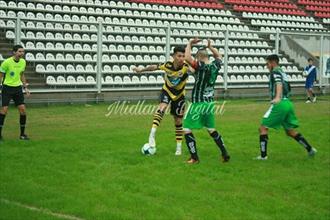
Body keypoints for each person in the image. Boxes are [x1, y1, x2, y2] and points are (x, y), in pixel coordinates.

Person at [257, 54, 317, 160]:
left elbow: (278, 83)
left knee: (263, 128)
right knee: (290, 131)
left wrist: (277, 97)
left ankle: (263, 156)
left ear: (272, 62)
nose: (266, 66)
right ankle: (310, 149)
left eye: (267, 63)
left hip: (280, 103)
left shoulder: (275, 71)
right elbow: (287, 86)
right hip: (288, 103)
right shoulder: (282, 71)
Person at [133, 46, 189, 155]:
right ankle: (152, 133)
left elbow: (195, 68)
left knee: (178, 121)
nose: (181, 58)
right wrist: (141, 70)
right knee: (162, 107)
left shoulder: (186, 67)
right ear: (173, 56)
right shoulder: (168, 65)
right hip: (167, 91)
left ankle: (178, 147)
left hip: (179, 96)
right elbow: (154, 67)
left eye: (183, 56)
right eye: (179, 56)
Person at [183, 38, 230, 164]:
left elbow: (187, 57)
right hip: (209, 103)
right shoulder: (215, 65)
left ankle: (194, 157)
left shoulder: (201, 66)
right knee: (211, 129)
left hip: (198, 103)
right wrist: (211, 46)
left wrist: (189, 43)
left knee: (186, 128)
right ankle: (225, 153)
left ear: (198, 57)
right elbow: (219, 55)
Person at [0, 45, 30, 141]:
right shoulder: (6, 62)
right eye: (20, 51)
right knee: (4, 110)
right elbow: (0, 75)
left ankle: (22, 134)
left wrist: (25, 87)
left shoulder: (23, 62)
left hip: (17, 89)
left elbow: (21, 74)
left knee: (23, 110)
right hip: (7, 88)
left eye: (23, 52)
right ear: (14, 52)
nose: (22, 53)